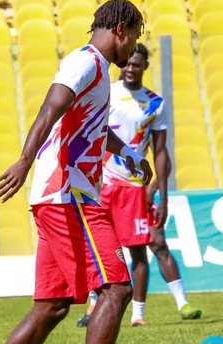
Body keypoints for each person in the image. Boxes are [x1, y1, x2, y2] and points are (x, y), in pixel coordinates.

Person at [0, 0, 150, 344]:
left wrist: (126, 153)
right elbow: (51, 109)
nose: (135, 47)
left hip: (62, 195)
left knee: (53, 306)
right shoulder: (85, 62)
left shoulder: (98, 71)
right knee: (117, 287)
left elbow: (89, 128)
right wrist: (24, 161)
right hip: (70, 196)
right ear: (120, 29)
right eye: (135, 36)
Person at [75, 44, 201, 328]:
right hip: (101, 183)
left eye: (137, 64)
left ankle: (139, 314)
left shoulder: (155, 104)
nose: (131, 69)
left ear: (145, 67)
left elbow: (160, 152)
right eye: (128, 64)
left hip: (134, 187)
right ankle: (94, 306)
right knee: (98, 247)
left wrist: (161, 194)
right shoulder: (106, 92)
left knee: (144, 248)